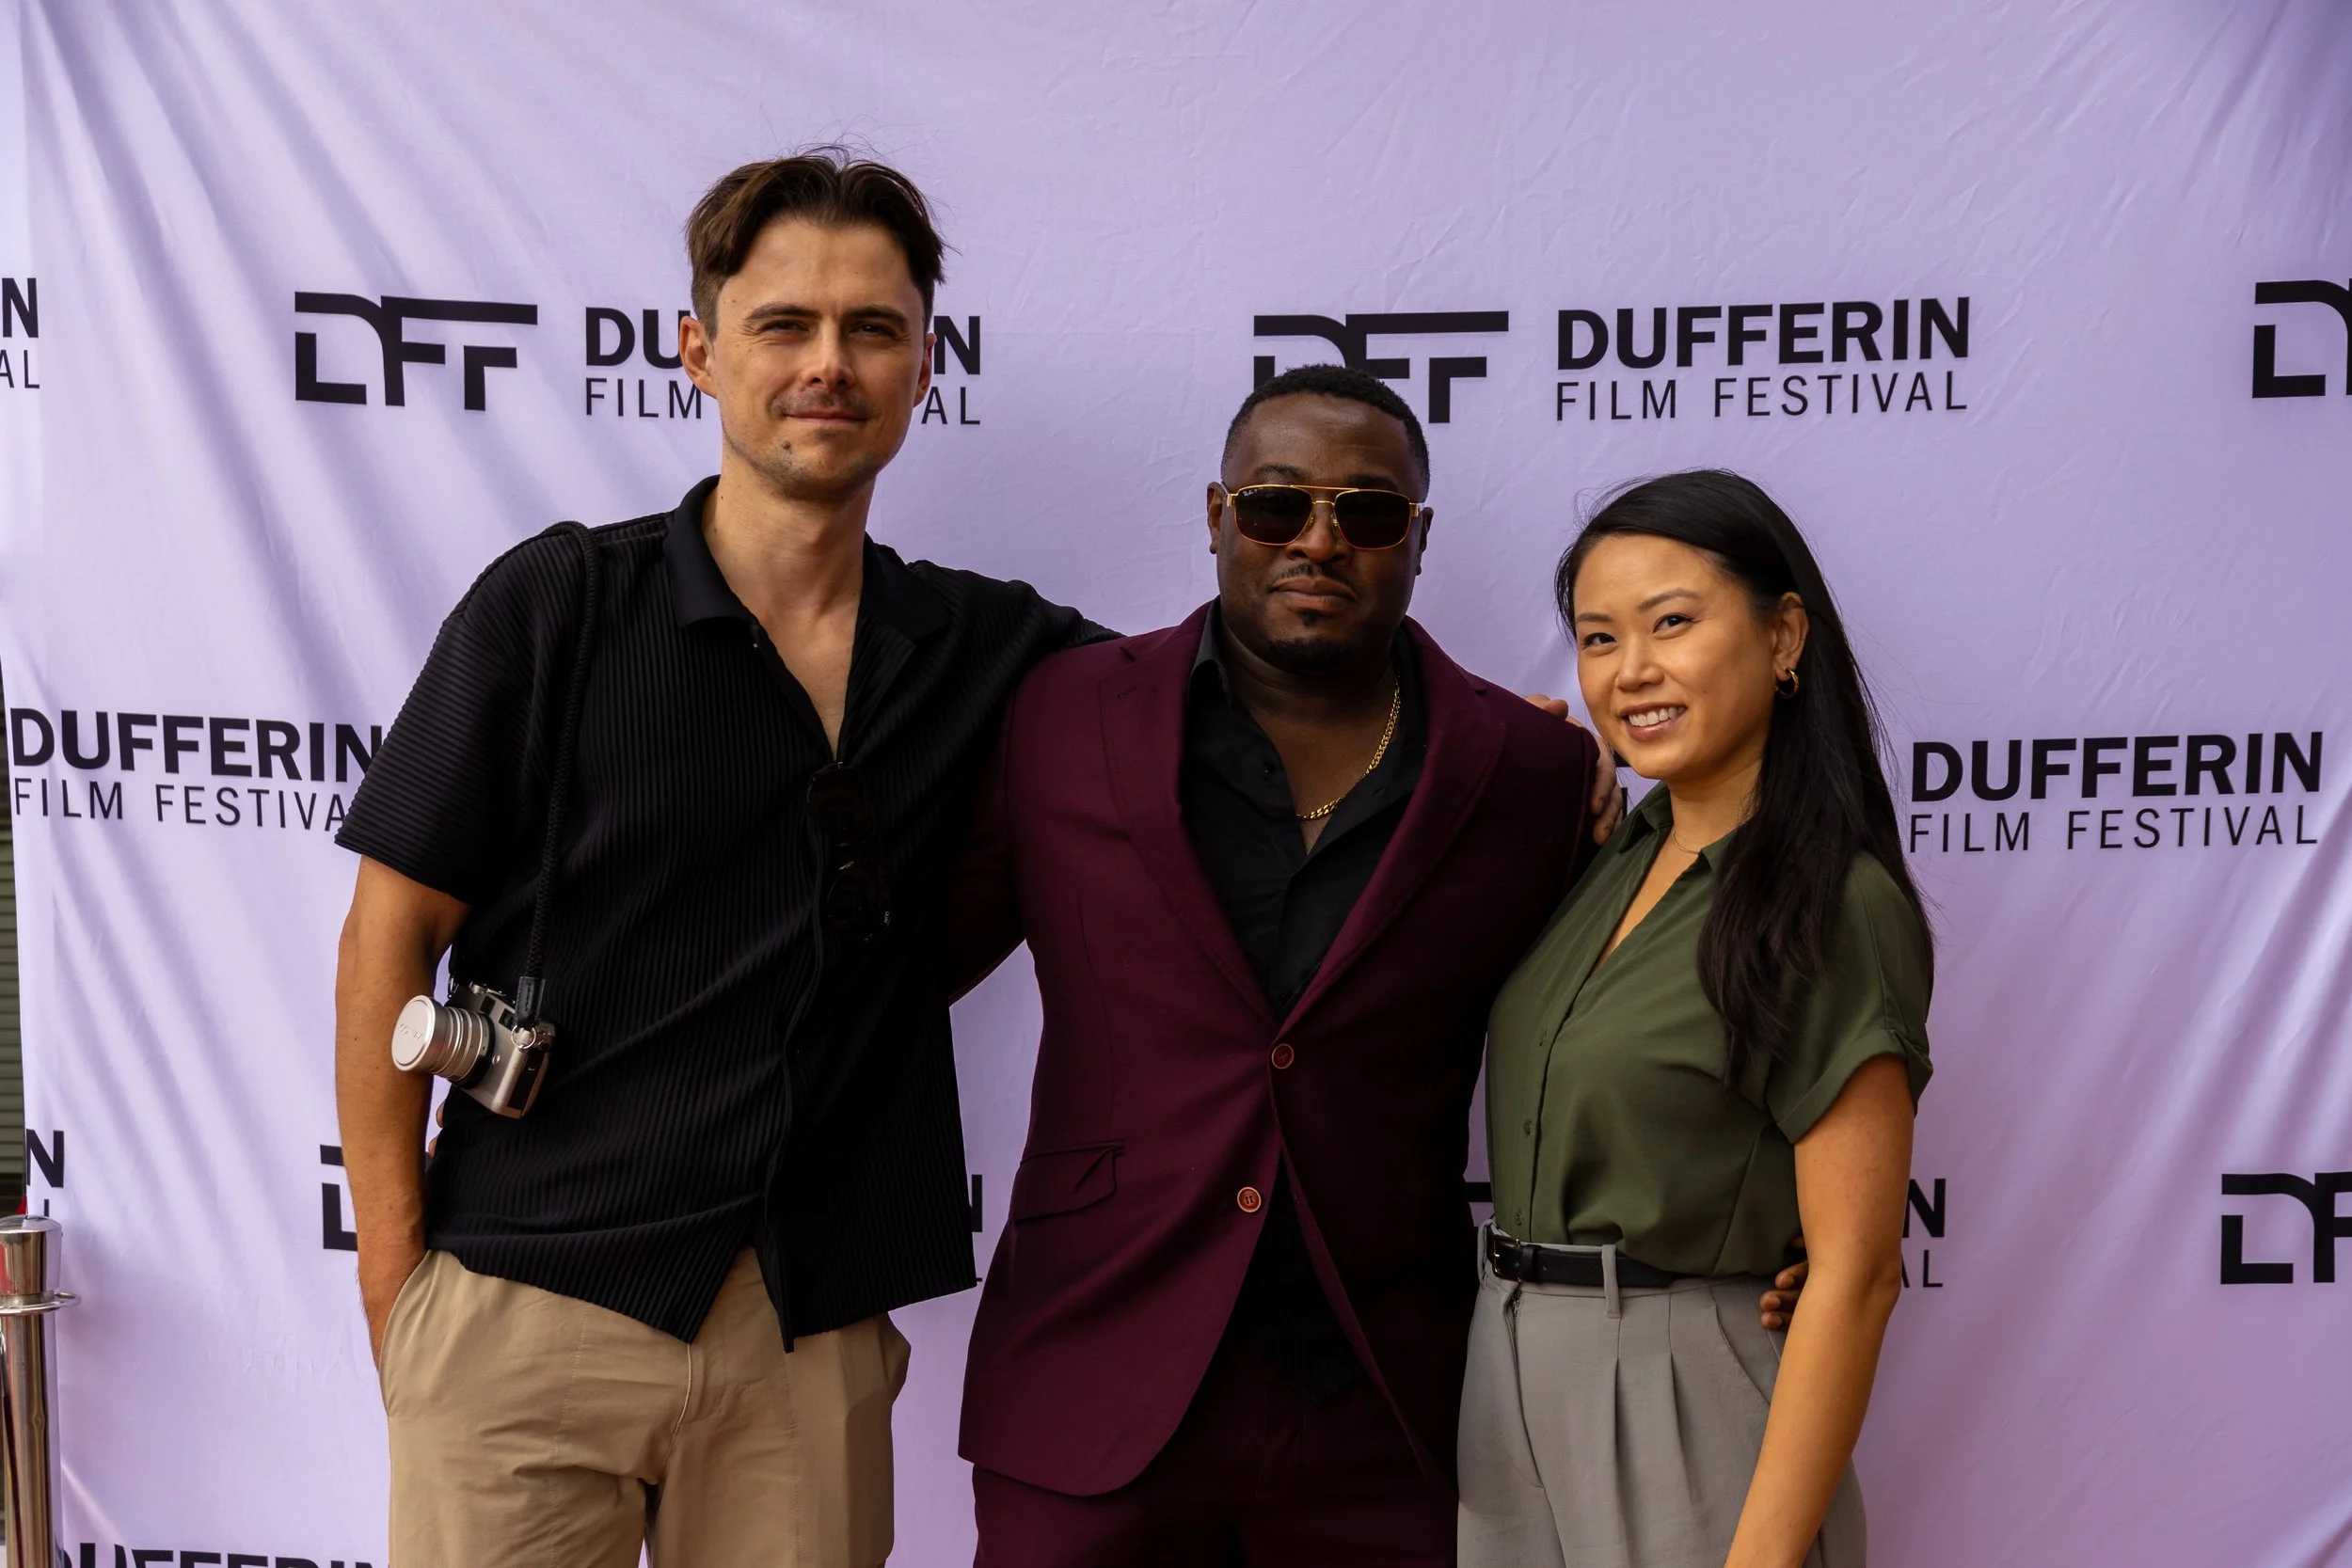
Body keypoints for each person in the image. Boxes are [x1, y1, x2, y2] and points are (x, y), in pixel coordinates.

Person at [331, 150, 1101, 1567]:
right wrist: (398, 1281)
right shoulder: (555, 604)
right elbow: (388, 939)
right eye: (784, 324)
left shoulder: (992, 650)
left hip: (803, 1336)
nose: (830, 363)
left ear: (925, 364)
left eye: (873, 328)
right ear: (697, 350)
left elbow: (1229, 702)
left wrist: (1492, 726)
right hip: (522, 1297)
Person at [946, 372, 1804, 1567]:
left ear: (1418, 536)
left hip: (1391, 1406)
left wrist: (1788, 1221)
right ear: (1213, 514)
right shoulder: (1056, 714)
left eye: (1365, 513)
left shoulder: (1532, 774)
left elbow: (1627, 1028)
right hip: (1093, 1378)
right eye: (1273, 506)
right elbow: (910, 964)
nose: (1316, 540)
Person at [1458, 469, 1932, 1568]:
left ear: (1783, 636)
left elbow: (1855, 1272)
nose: (1631, 671)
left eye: (1672, 622)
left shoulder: (1831, 902)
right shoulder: (1599, 855)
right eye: (1596, 637)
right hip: (1505, 1377)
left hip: (1680, 1388)